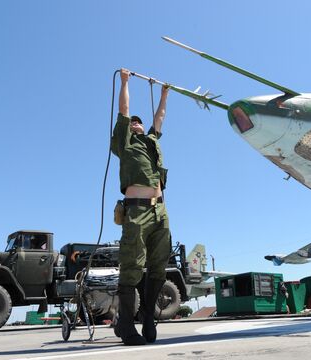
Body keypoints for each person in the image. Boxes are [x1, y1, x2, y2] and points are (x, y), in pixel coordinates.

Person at [110, 68, 171, 346]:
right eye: (133, 122)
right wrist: (125, 82)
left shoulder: (151, 141)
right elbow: (124, 109)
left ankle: (148, 316)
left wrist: (164, 93)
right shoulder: (125, 143)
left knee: (159, 265)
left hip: (161, 211)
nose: (136, 123)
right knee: (133, 265)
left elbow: (159, 118)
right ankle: (125, 324)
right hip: (136, 210)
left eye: (138, 122)